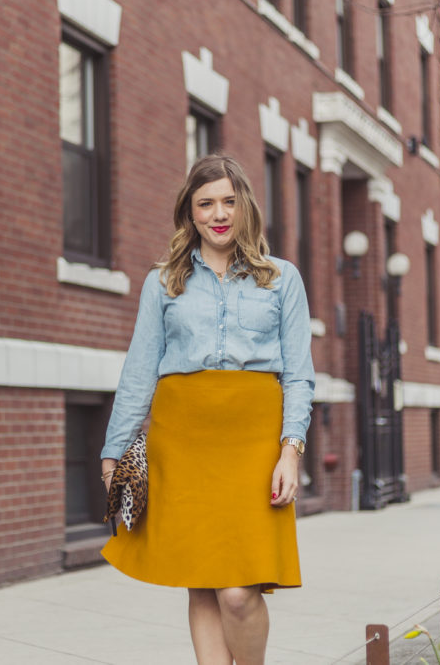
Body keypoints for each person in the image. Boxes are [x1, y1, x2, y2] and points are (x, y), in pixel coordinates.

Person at [99, 154, 315, 665]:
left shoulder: (281, 279)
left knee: (239, 592)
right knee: (201, 583)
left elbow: (299, 375)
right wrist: (113, 456)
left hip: (253, 444)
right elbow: (138, 372)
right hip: (182, 441)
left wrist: (291, 450)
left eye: (228, 202)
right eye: (206, 203)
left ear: (245, 208)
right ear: (189, 213)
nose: (219, 214)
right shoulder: (163, 282)